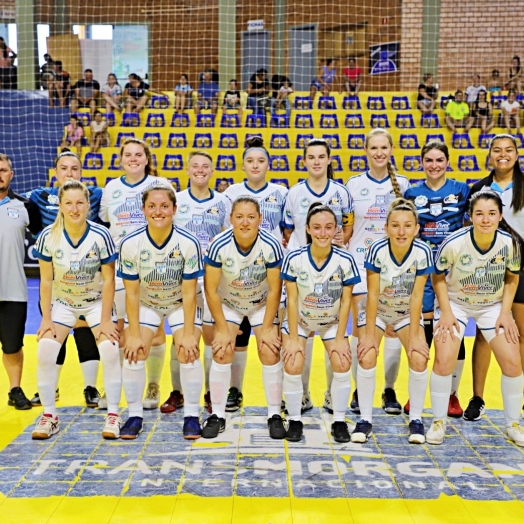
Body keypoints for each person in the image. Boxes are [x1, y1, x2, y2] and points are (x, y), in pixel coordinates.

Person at [427, 190, 524, 447]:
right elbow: (437, 276)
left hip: (491, 306)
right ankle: (438, 422)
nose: (485, 219)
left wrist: (505, 313)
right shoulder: (454, 242)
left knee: (513, 363)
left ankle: (513, 424)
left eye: (491, 214)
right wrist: (446, 312)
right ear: (470, 216)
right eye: (479, 213)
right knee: (444, 359)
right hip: (455, 304)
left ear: (500, 216)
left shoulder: (510, 243)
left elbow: (512, 277)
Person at [31, 180, 120, 440]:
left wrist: (105, 320)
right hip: (64, 305)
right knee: (46, 350)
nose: (74, 208)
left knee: (109, 349)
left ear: (88, 205)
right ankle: (49, 416)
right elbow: (45, 280)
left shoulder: (100, 235)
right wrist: (46, 318)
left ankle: (113, 414)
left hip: (95, 303)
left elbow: (109, 280)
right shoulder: (48, 236)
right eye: (68, 203)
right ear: (60, 205)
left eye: (80, 202)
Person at [118, 186, 204, 439]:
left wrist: (188, 334)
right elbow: (131, 293)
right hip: (147, 302)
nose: (158, 211)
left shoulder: (188, 242)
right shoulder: (131, 243)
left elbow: (189, 293)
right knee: (134, 351)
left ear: (174, 210)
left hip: (180, 302)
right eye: (152, 206)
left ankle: (191, 414)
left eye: (164, 206)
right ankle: (134, 415)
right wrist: (133, 334)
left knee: (188, 351)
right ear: (143, 210)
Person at [26, 149, 104, 409]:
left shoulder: (96, 195)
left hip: (86, 281)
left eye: (74, 169)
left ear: (81, 173)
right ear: (55, 173)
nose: (69, 173)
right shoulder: (38, 196)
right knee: (53, 335)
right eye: (64, 168)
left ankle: (90, 387)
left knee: (84, 333)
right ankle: (51, 389)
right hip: (54, 280)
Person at [99, 138, 174, 410]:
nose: (133, 159)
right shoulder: (112, 187)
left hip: (155, 265)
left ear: (146, 158)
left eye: (138, 154)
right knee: (119, 328)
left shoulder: (161, 185)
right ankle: (114, 384)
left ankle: (153, 385)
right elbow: (107, 222)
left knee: (152, 329)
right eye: (128, 155)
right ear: (121, 159)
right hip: (121, 265)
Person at [353, 198, 434, 444]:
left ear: (416, 229)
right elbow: (373, 294)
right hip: (376, 310)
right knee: (366, 354)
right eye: (395, 225)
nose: (401, 231)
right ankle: (365, 419)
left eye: (408, 225)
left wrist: (417, 337)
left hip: (405, 313)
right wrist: (368, 335)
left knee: (419, 357)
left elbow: (417, 296)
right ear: (386, 228)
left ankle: (416, 421)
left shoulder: (423, 251)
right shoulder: (377, 249)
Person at [203, 196, 285, 439]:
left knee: (270, 350)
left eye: (251, 217)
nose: (245, 222)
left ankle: (274, 414)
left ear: (260, 219)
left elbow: (274, 289)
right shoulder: (219, 244)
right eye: (239, 217)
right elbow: (211, 289)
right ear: (230, 219)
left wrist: (268, 326)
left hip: (261, 304)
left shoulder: (271, 245)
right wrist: (223, 327)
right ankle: (217, 414)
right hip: (229, 304)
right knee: (221, 349)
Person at [281, 203, 360, 442]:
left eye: (328, 227)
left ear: (336, 228)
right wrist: (294, 338)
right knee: (293, 362)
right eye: (317, 227)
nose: (323, 233)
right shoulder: (294, 258)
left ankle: (338, 420)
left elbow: (346, 302)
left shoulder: (345, 259)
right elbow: (291, 301)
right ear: (307, 229)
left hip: (331, 322)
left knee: (342, 362)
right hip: (301, 321)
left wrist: (340, 338)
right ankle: (294, 419)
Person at [283, 138, 352, 413]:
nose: (316, 161)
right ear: (304, 161)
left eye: (321, 156)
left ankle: (331, 394)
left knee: (332, 328)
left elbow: (348, 226)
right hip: (302, 270)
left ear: (328, 160)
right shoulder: (294, 193)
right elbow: (289, 231)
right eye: (311, 157)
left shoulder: (341, 192)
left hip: (333, 268)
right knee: (302, 329)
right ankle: (301, 394)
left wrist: (336, 245)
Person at [159, 151, 231, 414]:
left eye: (206, 166)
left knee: (212, 338)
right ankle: (177, 392)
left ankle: (211, 393)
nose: (200, 170)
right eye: (195, 166)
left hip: (213, 279)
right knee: (182, 335)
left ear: (212, 171)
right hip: (180, 279)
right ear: (187, 171)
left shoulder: (223, 201)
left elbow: (228, 237)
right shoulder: (175, 200)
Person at [404, 140, 471, 417]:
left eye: (439, 160)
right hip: (421, 267)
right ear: (422, 163)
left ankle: (453, 395)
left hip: (454, 271)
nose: (434, 165)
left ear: (447, 162)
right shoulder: (412, 192)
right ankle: (415, 393)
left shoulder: (462, 190)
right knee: (422, 326)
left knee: (454, 328)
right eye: (429, 160)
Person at [222, 136, 288, 413]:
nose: (255, 165)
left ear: (268, 164)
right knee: (238, 336)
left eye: (261, 161)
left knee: (273, 338)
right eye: (250, 161)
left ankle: (280, 396)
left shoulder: (281, 192)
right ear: (243, 165)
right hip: (238, 273)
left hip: (270, 271)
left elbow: (288, 230)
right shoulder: (231, 193)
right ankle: (234, 390)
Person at [345, 129, 409, 416]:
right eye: (374, 148)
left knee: (393, 330)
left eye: (384, 147)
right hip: (360, 266)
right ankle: (361, 389)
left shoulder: (404, 185)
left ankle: (389, 389)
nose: (379, 152)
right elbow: (345, 227)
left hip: (394, 269)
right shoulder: (353, 184)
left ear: (392, 150)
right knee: (363, 330)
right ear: (366, 151)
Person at [463, 134, 524, 421]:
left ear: (516, 154)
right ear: (489, 155)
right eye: (497, 150)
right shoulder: (480, 188)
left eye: (508, 150)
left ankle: (521, 398)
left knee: (521, 334)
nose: (503, 155)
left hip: (521, 269)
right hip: (489, 271)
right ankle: (478, 397)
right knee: (485, 335)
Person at [0, 153, 42, 410]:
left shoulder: (26, 207)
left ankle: (15, 390)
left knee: (13, 346)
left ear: (11, 174)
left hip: (13, 290)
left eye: (3, 170)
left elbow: (46, 238)